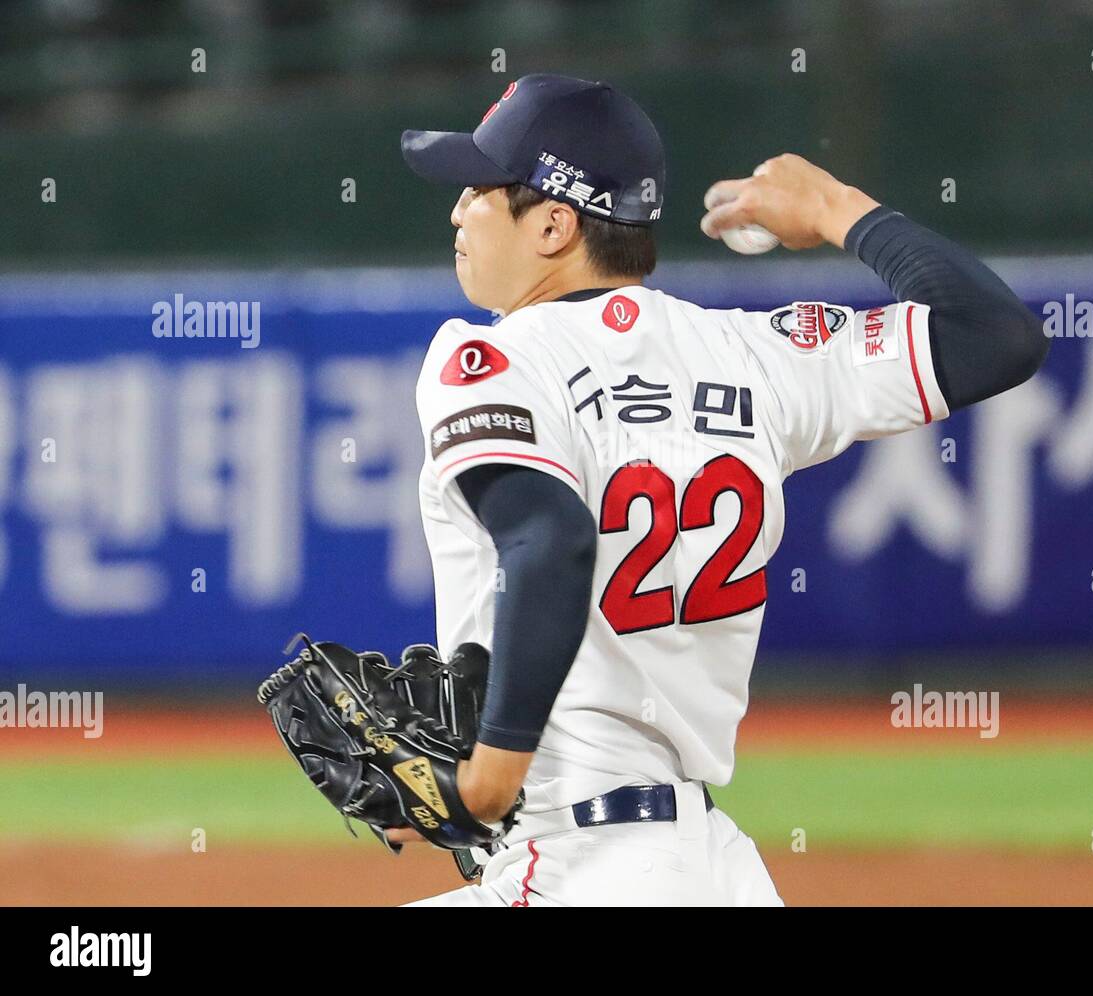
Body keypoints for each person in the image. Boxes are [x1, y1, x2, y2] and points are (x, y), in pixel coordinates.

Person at [393, 73, 1047, 906]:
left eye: (480, 189)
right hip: (714, 869)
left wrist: (483, 786)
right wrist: (837, 208)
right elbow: (999, 336)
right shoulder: (754, 355)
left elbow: (550, 539)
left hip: (569, 863)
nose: (458, 211)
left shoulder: (490, 359)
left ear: (554, 224)